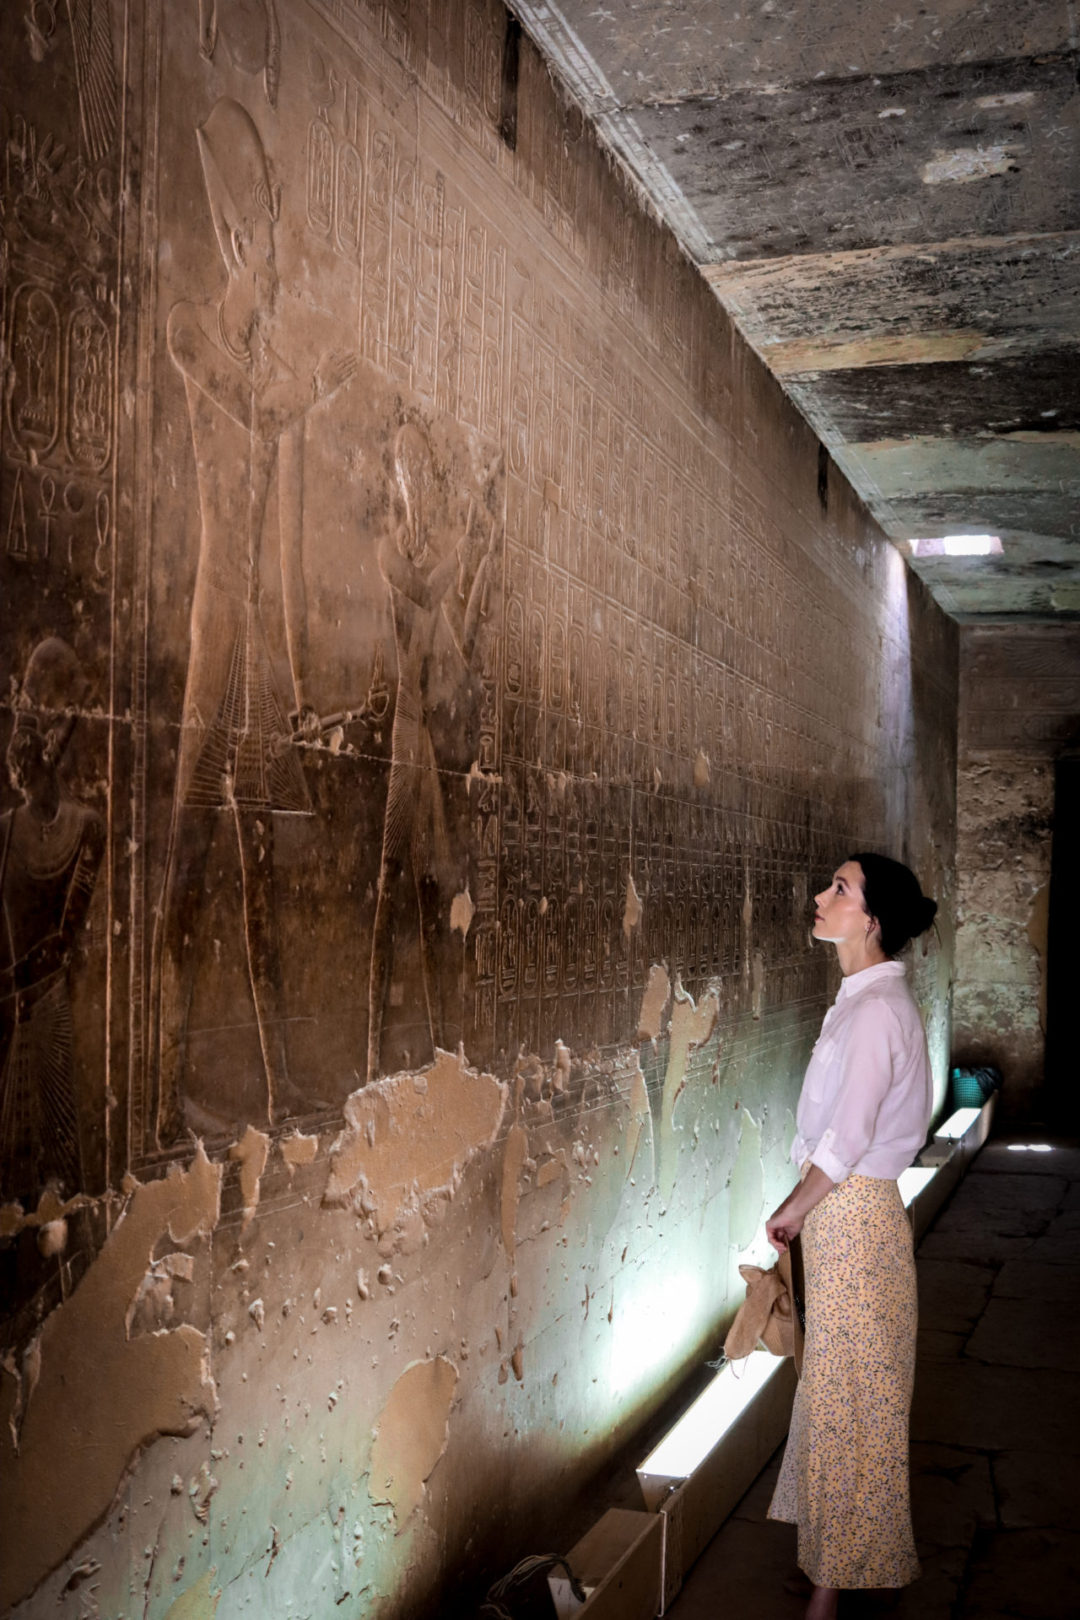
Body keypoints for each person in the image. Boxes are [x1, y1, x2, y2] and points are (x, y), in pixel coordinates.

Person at [153, 97, 358, 1141]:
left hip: (255, 656)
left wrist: (303, 674)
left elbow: (279, 524)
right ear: (237, 240)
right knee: (191, 856)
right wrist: (301, 398)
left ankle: (279, 1087)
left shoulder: (266, 378)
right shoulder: (195, 331)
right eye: (268, 247)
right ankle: (160, 1087)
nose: (279, 274)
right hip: (212, 636)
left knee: (265, 880)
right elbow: (240, 396)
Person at [765, 853, 938, 1620]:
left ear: (870, 921)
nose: (821, 897)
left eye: (840, 889)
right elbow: (830, 1133)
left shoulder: (875, 1011)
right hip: (846, 1214)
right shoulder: (864, 1000)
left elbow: (849, 1137)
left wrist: (798, 1209)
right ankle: (828, 1561)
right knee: (836, 1392)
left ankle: (834, 1586)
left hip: (855, 1219)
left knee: (852, 1399)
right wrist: (799, 1200)